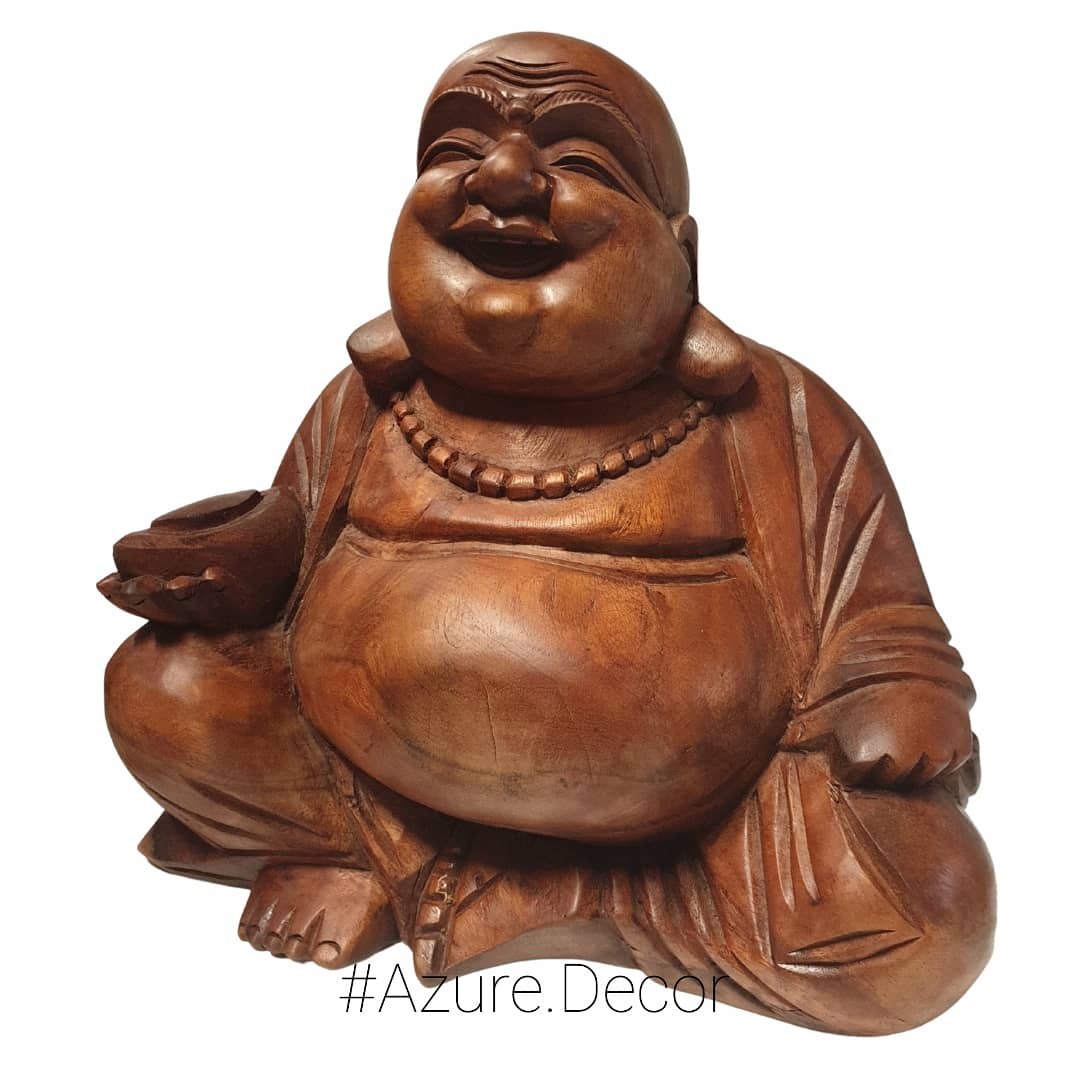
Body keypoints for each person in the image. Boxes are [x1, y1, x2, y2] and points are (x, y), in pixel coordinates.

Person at [101, 32, 994, 1034]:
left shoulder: (772, 410)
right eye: (455, 151)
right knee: (163, 684)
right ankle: (358, 853)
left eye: (579, 160)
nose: (503, 180)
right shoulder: (365, 403)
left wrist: (899, 692)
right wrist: (231, 569)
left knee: (935, 910)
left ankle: (559, 896)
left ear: (682, 252)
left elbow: (875, 606)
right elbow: (298, 549)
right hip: (380, 793)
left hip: (709, 826)